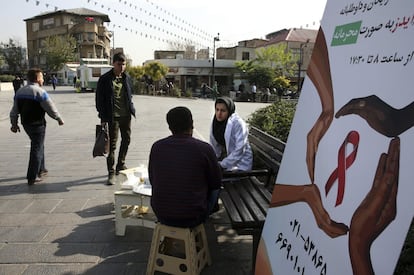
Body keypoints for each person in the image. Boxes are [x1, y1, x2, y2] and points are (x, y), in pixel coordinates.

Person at [148, 106, 222, 227]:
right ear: (191, 124)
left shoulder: (157, 147)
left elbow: (153, 179)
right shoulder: (204, 149)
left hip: (162, 214)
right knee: (215, 187)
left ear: (170, 127)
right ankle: (205, 215)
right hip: (193, 216)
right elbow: (216, 183)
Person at [9, 68, 64, 185]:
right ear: (37, 79)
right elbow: (50, 107)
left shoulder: (20, 92)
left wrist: (14, 124)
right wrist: (58, 118)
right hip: (38, 124)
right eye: (42, 77)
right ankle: (32, 176)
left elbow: (14, 110)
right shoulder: (39, 92)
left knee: (38, 144)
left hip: (26, 124)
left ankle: (41, 168)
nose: (43, 80)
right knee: (37, 148)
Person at [95, 52, 136, 185]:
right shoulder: (105, 79)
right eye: (119, 64)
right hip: (112, 118)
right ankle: (111, 172)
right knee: (112, 145)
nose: (122, 67)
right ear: (113, 64)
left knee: (127, 140)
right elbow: (99, 100)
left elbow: (130, 95)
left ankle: (120, 164)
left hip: (126, 116)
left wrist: (131, 107)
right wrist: (103, 116)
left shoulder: (127, 78)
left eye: (124, 64)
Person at [210, 96, 253, 171]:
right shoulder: (216, 122)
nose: (219, 113)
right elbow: (214, 145)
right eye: (217, 110)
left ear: (229, 111)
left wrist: (222, 164)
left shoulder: (238, 123)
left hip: (241, 163)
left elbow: (240, 149)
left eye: (223, 110)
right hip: (226, 159)